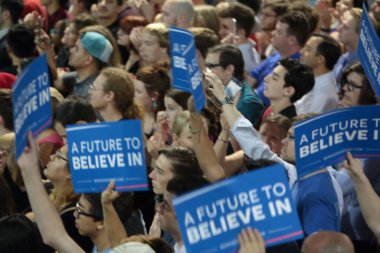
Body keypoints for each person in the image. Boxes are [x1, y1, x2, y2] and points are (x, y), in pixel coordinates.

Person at [205, 71, 342, 236]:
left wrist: (224, 98)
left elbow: (321, 246)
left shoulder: (317, 193)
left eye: (291, 138)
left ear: (312, 144)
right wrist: (225, 100)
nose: (284, 141)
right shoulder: (303, 174)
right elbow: (254, 144)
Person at [251, 11, 309, 106]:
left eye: (278, 32)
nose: (273, 33)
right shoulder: (277, 54)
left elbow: (258, 100)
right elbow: (251, 79)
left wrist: (227, 100)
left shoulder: (296, 69)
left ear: (291, 40)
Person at [205, 44, 264, 127]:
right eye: (206, 66)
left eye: (210, 66)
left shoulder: (248, 104)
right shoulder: (217, 91)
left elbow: (240, 136)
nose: (205, 71)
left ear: (229, 69)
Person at [296, 32, 341, 115]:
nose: (301, 51)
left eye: (308, 49)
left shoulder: (324, 93)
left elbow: (306, 123)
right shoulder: (312, 81)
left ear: (320, 59)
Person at [218, 2, 261, 73]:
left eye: (225, 27)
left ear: (240, 33)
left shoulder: (245, 60)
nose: (220, 32)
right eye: (220, 26)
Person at [333, 8, 362, 84]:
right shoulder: (343, 58)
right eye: (341, 24)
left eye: (345, 27)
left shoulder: (361, 68)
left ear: (358, 36)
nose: (338, 29)